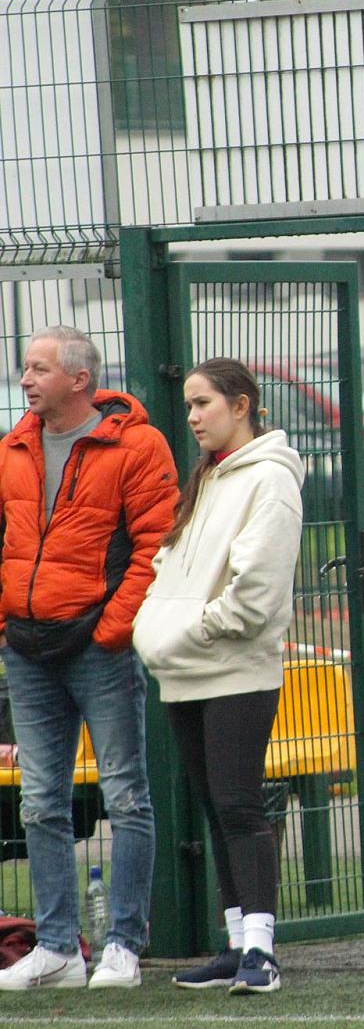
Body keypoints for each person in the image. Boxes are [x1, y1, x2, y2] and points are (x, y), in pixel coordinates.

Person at [0, 326, 178, 990]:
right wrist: (5, 620)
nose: (26, 380)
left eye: (39, 368)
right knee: (40, 802)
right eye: (25, 368)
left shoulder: (137, 445)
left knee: (125, 794)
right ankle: (57, 951)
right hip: (26, 647)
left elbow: (156, 543)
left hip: (99, 649)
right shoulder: (13, 447)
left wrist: (111, 629)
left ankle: (123, 946)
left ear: (79, 379)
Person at [132, 359, 304, 995]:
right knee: (215, 807)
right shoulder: (208, 476)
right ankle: (236, 947)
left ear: (242, 405)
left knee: (238, 805)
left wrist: (193, 630)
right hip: (185, 670)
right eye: (188, 405)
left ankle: (262, 952)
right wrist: (160, 625)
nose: (193, 416)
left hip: (235, 668)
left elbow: (256, 590)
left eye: (203, 403)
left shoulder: (271, 479)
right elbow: (171, 563)